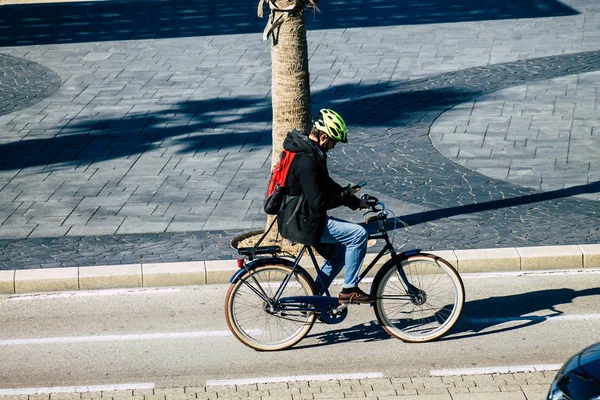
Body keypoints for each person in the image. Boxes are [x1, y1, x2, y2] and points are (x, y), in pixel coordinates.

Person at [277, 108, 376, 304]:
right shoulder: (308, 160)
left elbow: (327, 184)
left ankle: (313, 301)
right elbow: (319, 203)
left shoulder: (312, 153)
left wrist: (356, 202)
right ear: (323, 137)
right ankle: (350, 289)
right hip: (304, 222)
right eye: (333, 142)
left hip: (302, 217)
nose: (333, 146)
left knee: (338, 255)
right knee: (358, 234)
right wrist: (347, 195)